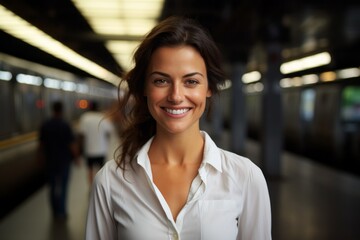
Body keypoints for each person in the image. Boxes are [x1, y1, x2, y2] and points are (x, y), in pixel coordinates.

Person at [85, 16, 272, 240]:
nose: (176, 96)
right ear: (144, 87)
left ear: (209, 88)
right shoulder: (110, 181)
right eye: (161, 81)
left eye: (191, 81)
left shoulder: (246, 178)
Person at [38, 101, 79, 220]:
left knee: (52, 186)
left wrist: (40, 158)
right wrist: (76, 158)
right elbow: (72, 144)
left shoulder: (45, 125)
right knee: (63, 186)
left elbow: (40, 145)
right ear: (62, 110)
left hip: (50, 161)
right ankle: (62, 211)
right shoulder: (65, 125)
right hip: (64, 161)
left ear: (53, 110)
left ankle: (54, 210)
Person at [78, 100, 114, 186]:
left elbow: (82, 135)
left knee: (90, 169)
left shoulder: (85, 117)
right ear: (98, 108)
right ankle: (100, 186)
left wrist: (80, 149)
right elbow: (109, 133)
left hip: (89, 149)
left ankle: (91, 186)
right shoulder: (102, 117)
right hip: (101, 149)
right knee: (101, 170)